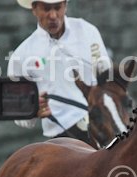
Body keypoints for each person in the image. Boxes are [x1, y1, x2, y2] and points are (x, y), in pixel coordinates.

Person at [7, 0, 111, 143]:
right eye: (46, 9)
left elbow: (107, 79)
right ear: (34, 9)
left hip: (102, 127)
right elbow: (18, 113)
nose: (53, 15)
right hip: (62, 138)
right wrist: (33, 108)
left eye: (57, 8)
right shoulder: (22, 55)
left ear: (65, 6)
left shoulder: (87, 31)